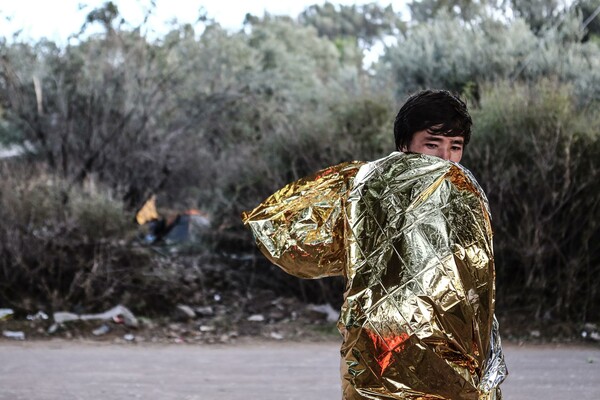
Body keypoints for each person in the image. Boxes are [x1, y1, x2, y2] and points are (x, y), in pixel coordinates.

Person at [243, 89, 507, 399]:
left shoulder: (462, 192)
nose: (445, 158)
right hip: (382, 334)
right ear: (404, 145)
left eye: (455, 147)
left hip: (449, 334)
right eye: (432, 145)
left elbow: (477, 279)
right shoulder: (371, 183)